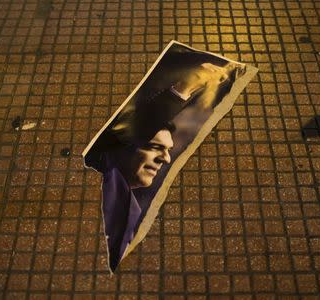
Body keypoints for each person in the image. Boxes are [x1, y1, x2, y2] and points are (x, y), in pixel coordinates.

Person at [84, 62, 234, 271]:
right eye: (154, 147)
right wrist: (183, 88)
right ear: (123, 146)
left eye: (167, 150)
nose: (166, 159)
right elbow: (138, 125)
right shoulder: (102, 166)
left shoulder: (132, 210)